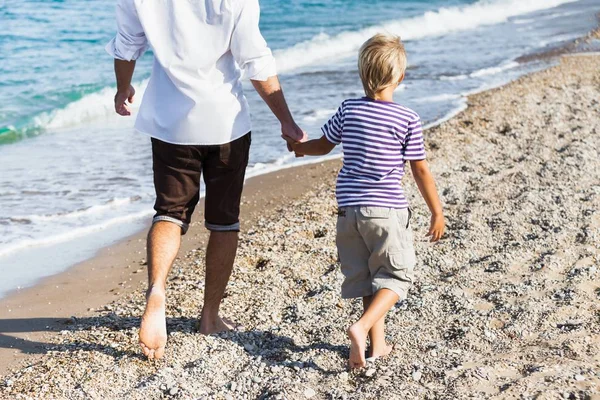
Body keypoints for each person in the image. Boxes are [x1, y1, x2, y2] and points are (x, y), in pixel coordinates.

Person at [106, 0, 304, 360]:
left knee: (169, 212)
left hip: (170, 123)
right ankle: (210, 317)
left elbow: (127, 43)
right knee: (224, 222)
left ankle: (156, 291)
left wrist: (123, 88)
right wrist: (286, 121)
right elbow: (255, 60)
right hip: (224, 123)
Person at [284, 33, 445, 369]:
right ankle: (359, 328)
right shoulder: (407, 119)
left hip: (349, 212)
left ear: (362, 73)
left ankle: (378, 344)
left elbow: (323, 145)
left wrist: (300, 147)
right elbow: (421, 171)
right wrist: (436, 211)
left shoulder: (349, 109)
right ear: (400, 76)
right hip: (386, 211)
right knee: (397, 276)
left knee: (370, 278)